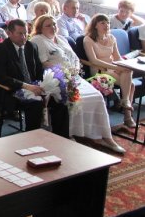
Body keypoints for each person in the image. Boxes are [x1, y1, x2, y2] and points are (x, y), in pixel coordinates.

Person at [31, 15, 125, 153]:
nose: (53, 27)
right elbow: (44, 63)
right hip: (56, 77)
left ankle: (106, 136)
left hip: (73, 76)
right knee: (74, 100)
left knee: (97, 97)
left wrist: (74, 69)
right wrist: (64, 71)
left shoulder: (61, 38)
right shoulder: (38, 40)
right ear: (40, 28)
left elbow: (75, 57)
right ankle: (70, 133)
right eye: (48, 25)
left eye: (54, 24)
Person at [0, 19, 69, 137]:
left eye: (25, 33)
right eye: (20, 34)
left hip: (34, 85)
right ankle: (32, 138)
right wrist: (27, 86)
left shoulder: (31, 46)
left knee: (60, 100)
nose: (24, 37)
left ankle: (61, 137)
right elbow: (0, 77)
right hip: (12, 89)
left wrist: (45, 87)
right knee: (35, 104)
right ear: (9, 33)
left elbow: (39, 71)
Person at [83, 14, 135, 127]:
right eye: (102, 23)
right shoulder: (88, 39)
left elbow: (117, 58)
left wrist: (124, 65)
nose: (106, 25)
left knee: (128, 71)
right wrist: (116, 68)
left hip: (112, 68)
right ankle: (127, 116)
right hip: (99, 71)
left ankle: (125, 103)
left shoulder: (111, 38)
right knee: (130, 85)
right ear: (95, 25)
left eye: (108, 23)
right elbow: (94, 60)